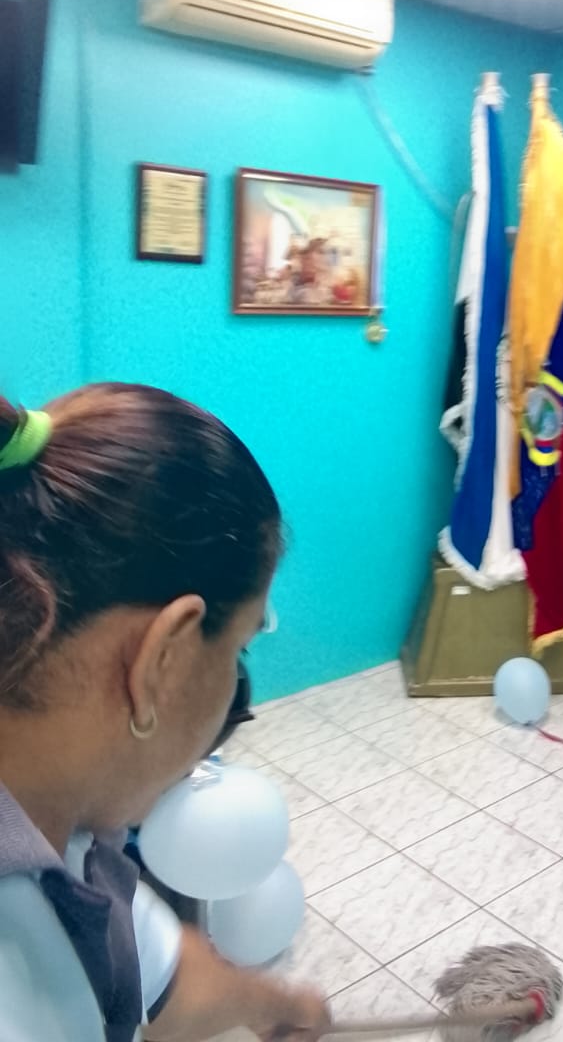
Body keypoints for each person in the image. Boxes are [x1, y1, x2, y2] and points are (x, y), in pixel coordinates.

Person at [0, 383, 331, 1041]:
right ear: (163, 662)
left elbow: (163, 973)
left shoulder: (58, 827)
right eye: (238, 650)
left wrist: (274, 1003)